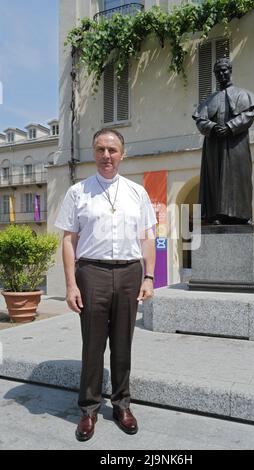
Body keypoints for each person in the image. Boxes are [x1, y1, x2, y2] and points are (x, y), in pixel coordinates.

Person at [55, 128, 156, 442]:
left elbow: (147, 238)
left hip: (128, 273)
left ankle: (122, 404)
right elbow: (69, 240)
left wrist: (149, 276)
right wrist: (71, 284)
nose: (106, 156)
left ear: (122, 154)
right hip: (92, 273)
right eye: (100, 149)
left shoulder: (137, 192)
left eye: (112, 150)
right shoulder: (78, 192)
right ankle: (88, 409)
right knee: (93, 344)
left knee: (123, 342)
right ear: (93, 153)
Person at [192, 58, 254, 225]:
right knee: (214, 180)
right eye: (218, 72)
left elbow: (249, 115)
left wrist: (230, 126)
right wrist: (213, 127)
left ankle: (239, 215)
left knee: (237, 179)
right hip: (213, 146)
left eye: (224, 70)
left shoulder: (243, 95)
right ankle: (216, 214)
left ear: (230, 70)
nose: (222, 73)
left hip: (236, 144)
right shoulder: (209, 100)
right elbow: (200, 121)